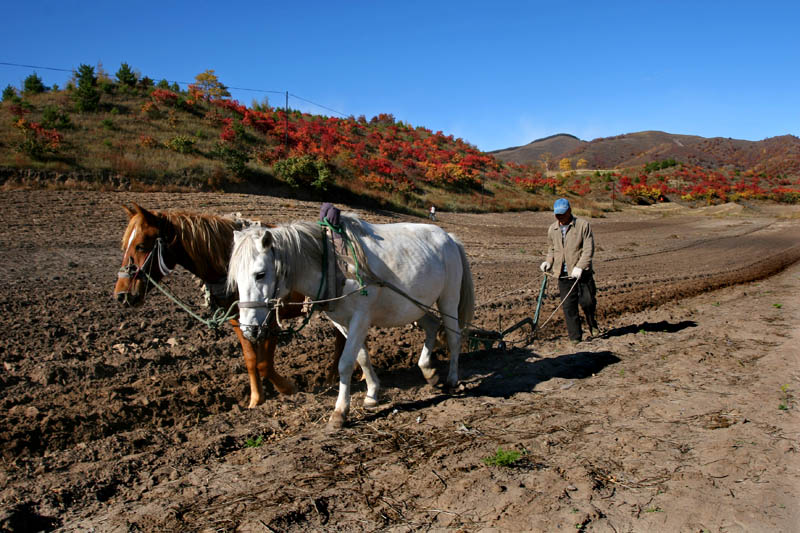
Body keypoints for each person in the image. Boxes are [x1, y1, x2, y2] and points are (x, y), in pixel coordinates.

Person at [539, 198, 600, 344]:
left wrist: (580, 266)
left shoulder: (582, 226)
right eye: (557, 214)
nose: (559, 217)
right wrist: (548, 262)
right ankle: (575, 338)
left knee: (588, 302)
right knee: (568, 307)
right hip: (563, 274)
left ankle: (592, 324)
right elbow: (552, 249)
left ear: (569, 211)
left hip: (582, 273)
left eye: (562, 214)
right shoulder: (552, 229)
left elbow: (588, 249)